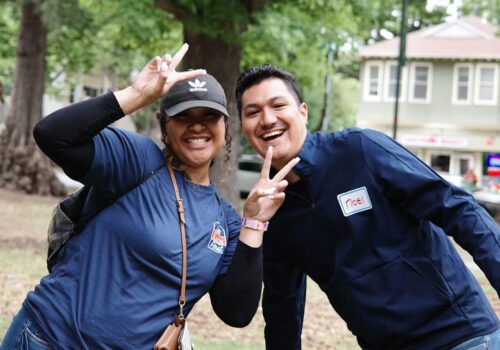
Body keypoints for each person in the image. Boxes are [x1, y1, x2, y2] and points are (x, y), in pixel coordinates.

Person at [0, 46, 298, 350]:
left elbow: (236, 313)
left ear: (225, 128)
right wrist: (136, 94)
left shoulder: (228, 222)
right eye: (184, 115)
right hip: (46, 339)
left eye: (209, 115)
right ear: (165, 127)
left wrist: (255, 223)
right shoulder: (137, 160)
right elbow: (52, 135)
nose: (197, 124)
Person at [235, 64, 500, 350]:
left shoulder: (360, 150)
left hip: (461, 337)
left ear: (302, 111)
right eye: (253, 112)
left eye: (278, 105)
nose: (267, 119)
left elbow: (459, 210)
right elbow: (282, 310)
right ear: (243, 128)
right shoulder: (271, 212)